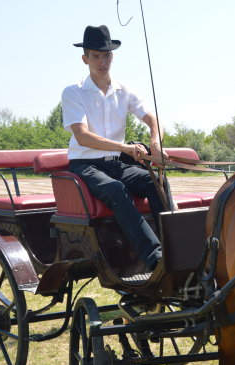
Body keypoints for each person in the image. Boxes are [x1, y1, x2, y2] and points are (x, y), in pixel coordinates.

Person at [61, 25, 169, 272]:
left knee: (157, 183)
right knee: (116, 190)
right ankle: (155, 259)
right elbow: (83, 137)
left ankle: (177, 246)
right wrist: (124, 147)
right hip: (85, 165)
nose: (102, 61)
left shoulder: (125, 90)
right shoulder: (73, 92)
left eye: (106, 55)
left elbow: (154, 119)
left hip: (116, 164)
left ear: (113, 56)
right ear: (85, 58)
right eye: (96, 56)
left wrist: (155, 142)